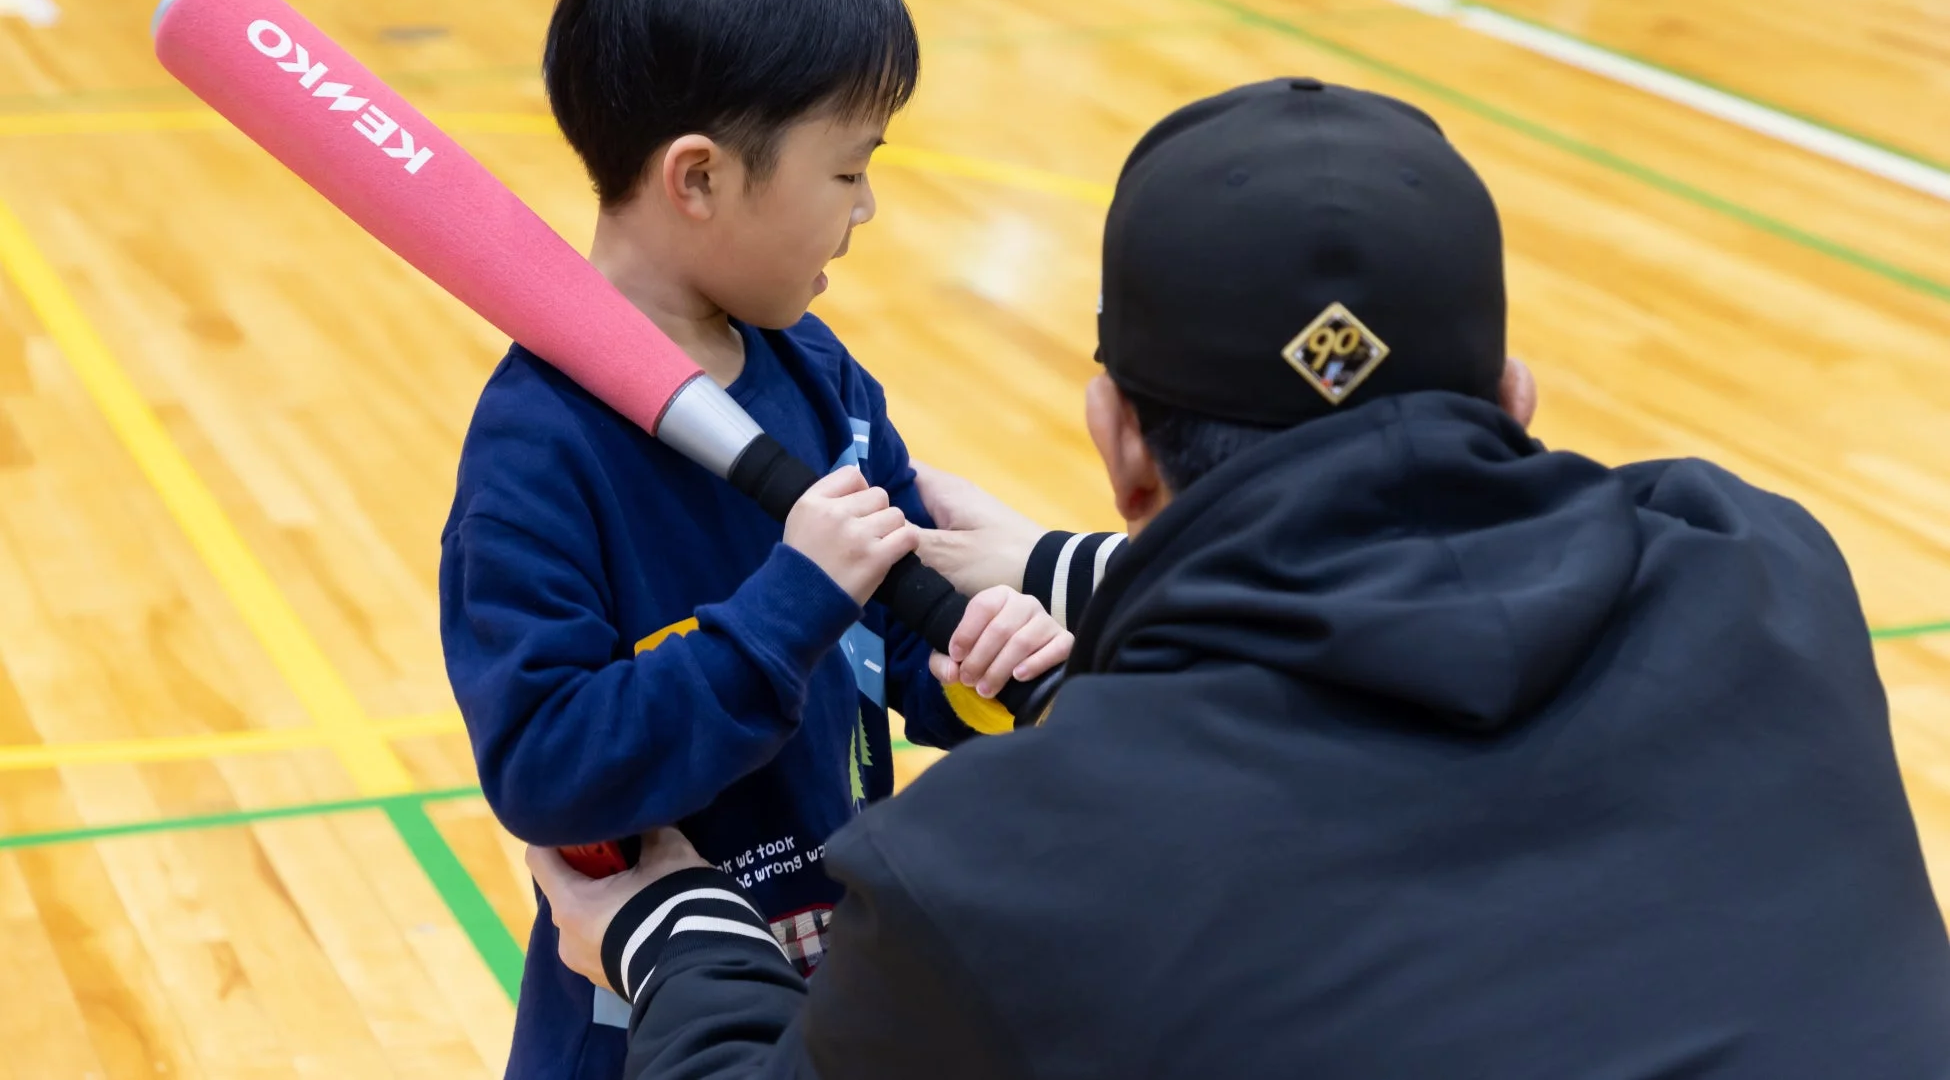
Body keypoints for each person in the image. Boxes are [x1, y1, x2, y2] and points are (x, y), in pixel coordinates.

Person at [525, 77, 1950, 1078]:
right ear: (1515, 397)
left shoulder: (992, 869)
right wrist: (1072, 577)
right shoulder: (1766, 573)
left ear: (1118, 443)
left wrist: (675, 935)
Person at [439, 0, 1070, 1080]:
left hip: (842, 993)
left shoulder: (817, 375)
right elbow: (548, 765)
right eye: (847, 169)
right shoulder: (539, 449)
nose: (867, 206)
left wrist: (982, 664)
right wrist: (790, 602)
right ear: (700, 177)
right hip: (637, 1019)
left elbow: (898, 638)